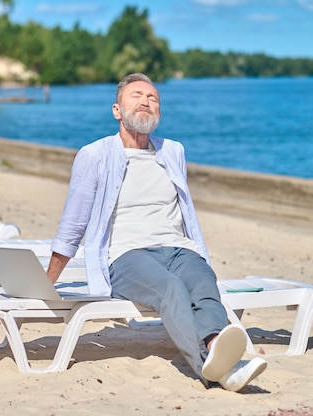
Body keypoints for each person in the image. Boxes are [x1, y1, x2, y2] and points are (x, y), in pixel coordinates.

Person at [47, 73, 267, 391]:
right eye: (136, 95)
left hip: (178, 248)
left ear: (159, 114)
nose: (146, 101)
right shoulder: (94, 156)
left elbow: (184, 210)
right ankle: (212, 368)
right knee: (170, 289)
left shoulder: (173, 151)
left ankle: (218, 344)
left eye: (153, 98)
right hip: (126, 256)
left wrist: (193, 249)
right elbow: (72, 225)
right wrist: (47, 283)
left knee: (204, 281)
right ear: (116, 110)